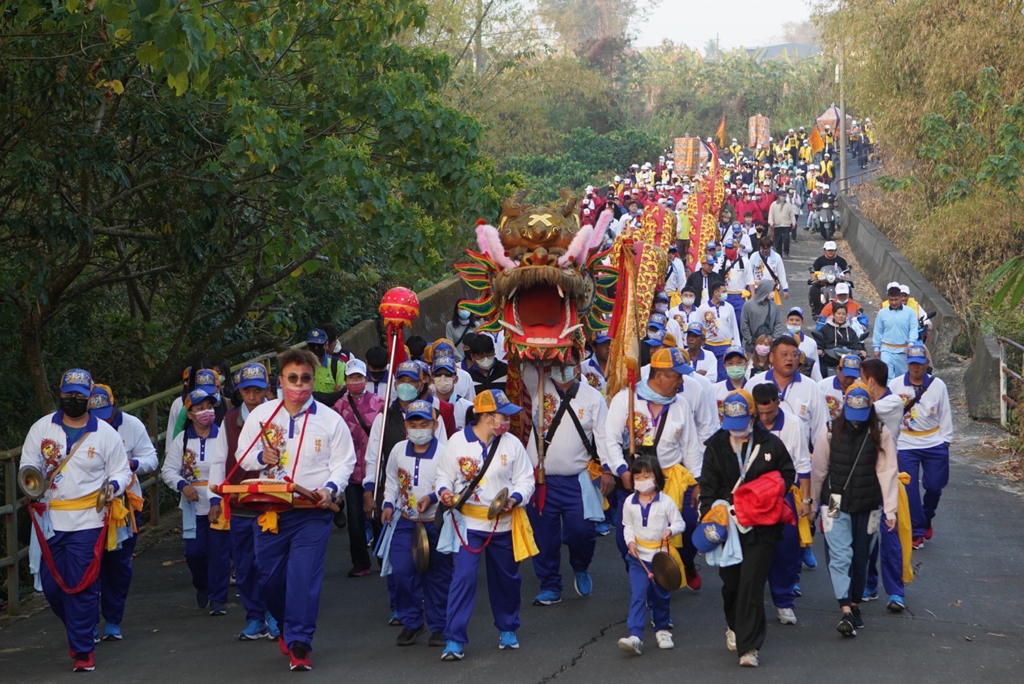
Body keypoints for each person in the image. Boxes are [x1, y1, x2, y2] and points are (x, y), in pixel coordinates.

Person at [237, 348, 356, 670]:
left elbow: (344, 463)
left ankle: (301, 642)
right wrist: (262, 458)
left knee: (303, 578)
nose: (299, 385)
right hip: (272, 510)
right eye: (293, 378)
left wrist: (330, 490)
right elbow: (242, 458)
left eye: (305, 379)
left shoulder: (331, 420)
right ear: (280, 380)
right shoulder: (261, 416)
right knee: (268, 578)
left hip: (312, 512)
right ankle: (286, 625)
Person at [20, 369, 132, 672]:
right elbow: (28, 464)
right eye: (68, 394)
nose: (73, 400)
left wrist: (113, 487)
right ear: (60, 393)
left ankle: (83, 651)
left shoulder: (105, 433)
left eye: (79, 396)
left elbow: (122, 470)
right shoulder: (42, 429)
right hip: (49, 518)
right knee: (53, 588)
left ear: (89, 397)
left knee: (81, 586)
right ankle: (81, 627)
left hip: (88, 519)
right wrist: (31, 483)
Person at [435, 389, 536, 661]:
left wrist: (515, 499)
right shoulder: (457, 442)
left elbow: (526, 480)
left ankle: (507, 628)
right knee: (463, 578)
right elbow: (443, 476)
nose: (508, 422)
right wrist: (444, 492)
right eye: (503, 416)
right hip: (467, 523)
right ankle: (454, 638)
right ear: (486, 417)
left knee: (507, 579)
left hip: (503, 523)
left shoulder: (512, 443)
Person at [700, 389, 795, 668]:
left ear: (751, 416)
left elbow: (788, 474)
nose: (736, 430)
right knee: (732, 582)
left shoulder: (770, 444)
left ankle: (749, 646)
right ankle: (733, 624)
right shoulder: (716, 445)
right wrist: (710, 512)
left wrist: (767, 490)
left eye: (741, 422)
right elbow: (707, 486)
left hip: (761, 525)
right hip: (727, 523)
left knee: (752, 583)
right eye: (731, 424)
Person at [606, 348, 703, 585]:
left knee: (689, 526)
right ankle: (641, 572)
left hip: (673, 477)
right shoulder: (626, 399)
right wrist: (622, 470)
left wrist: (699, 482)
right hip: (636, 478)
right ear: (659, 376)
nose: (682, 381)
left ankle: (686, 563)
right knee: (624, 537)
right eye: (677, 376)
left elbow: (690, 445)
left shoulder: (680, 404)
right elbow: (610, 440)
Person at [811, 383, 899, 637]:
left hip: (869, 503)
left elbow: (888, 471)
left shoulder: (880, 433)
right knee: (840, 556)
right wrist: (813, 505)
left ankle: (856, 601)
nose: (856, 422)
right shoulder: (829, 432)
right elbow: (819, 471)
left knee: (862, 556)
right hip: (835, 501)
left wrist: (890, 510)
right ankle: (846, 608)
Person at [522, 355, 609, 606]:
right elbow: (523, 358)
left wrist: (606, 470)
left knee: (583, 532)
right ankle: (550, 585)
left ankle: (580, 566)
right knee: (544, 538)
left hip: (578, 479)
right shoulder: (538, 384)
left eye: (569, 364)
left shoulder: (593, 397)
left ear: (578, 367)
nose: (563, 370)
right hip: (541, 479)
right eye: (558, 365)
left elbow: (602, 437)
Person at [211, 362, 280, 640]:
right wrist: (215, 499)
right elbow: (219, 458)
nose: (252, 395)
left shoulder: (278, 416)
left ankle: (274, 613)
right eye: (247, 390)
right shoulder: (228, 420)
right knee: (244, 565)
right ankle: (255, 617)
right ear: (238, 391)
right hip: (239, 500)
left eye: (258, 390)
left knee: (270, 562)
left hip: (271, 499)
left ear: (267, 390)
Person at [379, 400, 453, 647]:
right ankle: (411, 621)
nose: (419, 428)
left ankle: (439, 626)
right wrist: (388, 504)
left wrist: (432, 497)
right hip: (406, 521)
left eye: (424, 423)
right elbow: (391, 481)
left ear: (435, 425)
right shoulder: (398, 450)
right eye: (413, 424)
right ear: (406, 425)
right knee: (401, 571)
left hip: (436, 523)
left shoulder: (445, 452)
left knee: (437, 576)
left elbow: (453, 484)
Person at [87, 384, 157, 642]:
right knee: (90, 565)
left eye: (105, 413)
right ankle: (89, 624)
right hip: (89, 507)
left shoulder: (132, 425)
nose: (101, 419)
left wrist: (133, 464)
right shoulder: (81, 427)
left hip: (125, 505)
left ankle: (113, 620)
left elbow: (152, 458)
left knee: (118, 566)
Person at [161, 388, 231, 617]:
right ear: (189, 414)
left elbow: (228, 470)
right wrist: (184, 486)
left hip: (218, 503)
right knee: (194, 552)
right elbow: (168, 470)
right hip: (191, 506)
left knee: (219, 553)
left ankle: (218, 599)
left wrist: (216, 500)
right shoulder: (181, 440)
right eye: (199, 409)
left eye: (209, 407)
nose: (205, 412)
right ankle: (202, 584)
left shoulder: (223, 435)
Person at [752, 381, 811, 627]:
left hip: (784, 492)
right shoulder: (747, 422)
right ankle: (751, 603)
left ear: (778, 402)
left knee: (786, 547)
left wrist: (806, 501)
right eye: (760, 413)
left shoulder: (794, 424)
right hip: (752, 495)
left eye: (770, 412)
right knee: (752, 549)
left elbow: (803, 464)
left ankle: (784, 601)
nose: (765, 418)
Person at [617, 455, 686, 656]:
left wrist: (671, 531)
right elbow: (627, 526)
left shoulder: (666, 502)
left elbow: (680, 523)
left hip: (661, 558)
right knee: (638, 594)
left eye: (646, 476)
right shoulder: (630, 502)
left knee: (661, 595)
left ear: (656, 477)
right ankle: (635, 635)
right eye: (637, 476)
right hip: (638, 558)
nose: (641, 480)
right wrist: (630, 542)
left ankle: (662, 630)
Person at [888, 344, 953, 549]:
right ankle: (917, 530)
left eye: (919, 363)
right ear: (907, 364)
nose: (916, 368)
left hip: (933, 441)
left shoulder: (938, 385)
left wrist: (945, 441)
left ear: (926, 363)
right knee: (909, 489)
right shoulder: (896, 384)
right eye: (912, 364)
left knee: (934, 487)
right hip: (906, 442)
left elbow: (945, 413)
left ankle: (927, 517)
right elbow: (889, 414)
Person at [334, 359, 385, 577]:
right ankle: (360, 562)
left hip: (375, 469)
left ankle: (385, 559)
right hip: (352, 471)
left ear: (365, 378)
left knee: (379, 517)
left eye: (359, 377)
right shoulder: (339, 406)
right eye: (351, 378)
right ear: (345, 380)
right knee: (355, 519)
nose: (355, 382)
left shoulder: (379, 402)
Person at [696, 281, 740, 381]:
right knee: (708, 376)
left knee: (724, 376)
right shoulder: (703, 308)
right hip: (708, 346)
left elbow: (734, 328)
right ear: (715, 292)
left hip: (725, 346)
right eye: (723, 291)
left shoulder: (729, 307)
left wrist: (737, 346)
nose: (726, 293)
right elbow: (698, 327)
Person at [873, 283, 918, 380]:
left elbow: (913, 329)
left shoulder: (910, 312)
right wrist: (877, 348)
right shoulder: (882, 313)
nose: (893, 302)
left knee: (902, 378)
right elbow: (878, 331)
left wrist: (911, 342)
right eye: (891, 300)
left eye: (896, 299)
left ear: (900, 297)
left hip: (903, 350)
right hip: (886, 350)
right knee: (888, 377)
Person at [814, 303, 867, 377]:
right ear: (833, 314)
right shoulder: (825, 329)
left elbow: (856, 343)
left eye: (843, 314)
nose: (841, 316)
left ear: (846, 316)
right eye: (838, 313)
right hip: (829, 359)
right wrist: (820, 349)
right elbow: (819, 341)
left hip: (848, 361)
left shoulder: (850, 331)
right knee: (820, 370)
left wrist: (861, 350)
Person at [740, 281, 785, 355]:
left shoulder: (774, 306)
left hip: (768, 346)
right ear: (764, 290)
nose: (773, 293)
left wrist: (772, 340)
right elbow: (744, 325)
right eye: (771, 290)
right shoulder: (748, 305)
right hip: (751, 347)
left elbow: (778, 324)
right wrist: (750, 340)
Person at [306, 328, 345, 404]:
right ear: (307, 347)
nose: (316, 348)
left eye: (319, 345)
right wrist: (331, 395)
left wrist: (314, 395)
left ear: (326, 345)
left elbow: (341, 395)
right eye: (312, 346)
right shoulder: (301, 367)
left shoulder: (338, 365)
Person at [819, 354, 862, 421]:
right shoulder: (822, 386)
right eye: (847, 376)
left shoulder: (862, 389)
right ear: (838, 370)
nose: (849, 380)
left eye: (853, 377)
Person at [785, 307, 822, 382]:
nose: (794, 322)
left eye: (797, 320)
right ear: (786, 321)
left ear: (803, 323)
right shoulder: (778, 341)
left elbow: (815, 366)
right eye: (791, 320)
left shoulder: (811, 343)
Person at [746, 236, 788, 302]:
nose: (765, 250)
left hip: (771, 288)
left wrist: (785, 289)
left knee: (770, 308)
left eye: (767, 248)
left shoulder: (777, 257)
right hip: (757, 288)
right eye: (763, 248)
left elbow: (781, 273)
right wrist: (748, 288)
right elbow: (749, 273)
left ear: (770, 247)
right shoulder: (754, 256)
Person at [715, 346, 751, 419]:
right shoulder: (715, 390)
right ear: (725, 366)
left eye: (739, 362)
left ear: (746, 365)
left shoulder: (752, 388)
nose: (735, 366)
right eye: (731, 363)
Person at [767, 192, 796, 257]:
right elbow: (771, 214)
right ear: (778, 196)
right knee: (778, 240)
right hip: (777, 225)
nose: (783, 197)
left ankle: (786, 250)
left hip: (786, 224)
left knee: (786, 238)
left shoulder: (788, 204)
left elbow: (791, 214)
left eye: (784, 196)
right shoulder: (773, 204)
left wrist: (793, 222)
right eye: (782, 195)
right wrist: (771, 222)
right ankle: (779, 253)